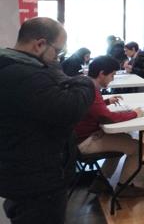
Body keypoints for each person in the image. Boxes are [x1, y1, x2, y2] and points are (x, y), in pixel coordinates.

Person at [0, 17, 95, 224]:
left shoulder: (11, 66)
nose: (57, 59)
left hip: (22, 169)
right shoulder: (24, 76)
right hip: (36, 178)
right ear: (40, 44)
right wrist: (87, 82)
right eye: (57, 52)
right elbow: (71, 108)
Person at [74, 56, 144, 197]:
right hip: (84, 142)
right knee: (138, 147)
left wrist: (106, 102)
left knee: (122, 138)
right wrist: (134, 113)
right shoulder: (91, 90)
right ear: (102, 74)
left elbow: (92, 108)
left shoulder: (84, 84)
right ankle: (124, 187)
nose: (113, 79)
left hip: (77, 139)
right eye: (112, 75)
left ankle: (101, 181)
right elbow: (107, 118)